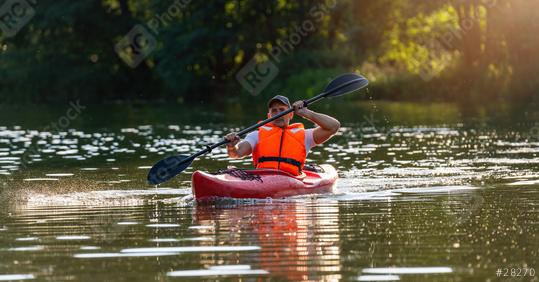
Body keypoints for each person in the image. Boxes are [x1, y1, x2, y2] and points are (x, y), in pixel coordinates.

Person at [224, 95, 340, 175]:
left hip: (293, 180)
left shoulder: (305, 136)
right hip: (263, 180)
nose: (278, 114)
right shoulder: (256, 135)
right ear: (269, 116)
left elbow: (334, 126)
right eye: (274, 111)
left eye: (282, 110)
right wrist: (231, 146)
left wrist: (306, 113)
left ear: (290, 115)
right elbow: (236, 154)